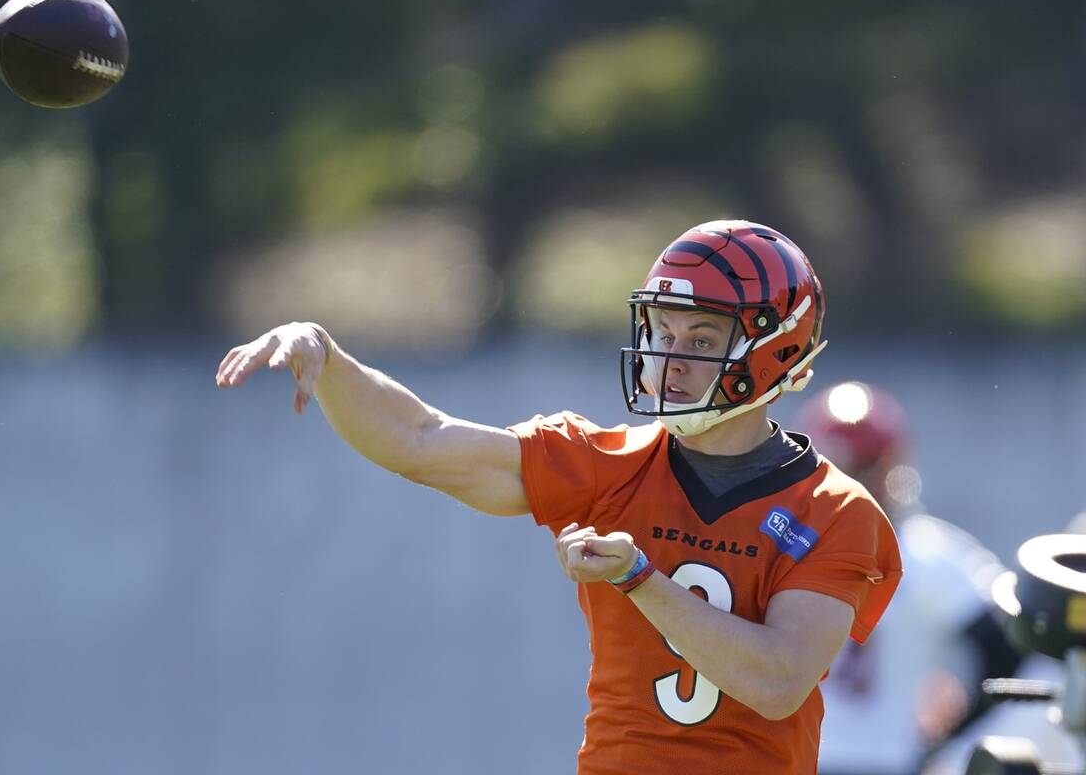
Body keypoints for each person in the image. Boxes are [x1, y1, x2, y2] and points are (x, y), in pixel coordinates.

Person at [215, 219, 903, 774]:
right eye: (664, 333)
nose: (671, 358)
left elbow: (778, 681)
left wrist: (640, 578)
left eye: (700, 338)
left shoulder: (837, 513)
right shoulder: (607, 464)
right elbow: (421, 441)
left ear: (774, 353)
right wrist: (329, 358)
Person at [792, 382, 1023, 775]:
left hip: (810, 757)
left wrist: (949, 736)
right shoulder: (933, 554)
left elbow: (1005, 649)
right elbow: (1009, 648)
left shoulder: (783, 548)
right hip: (884, 759)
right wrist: (955, 735)